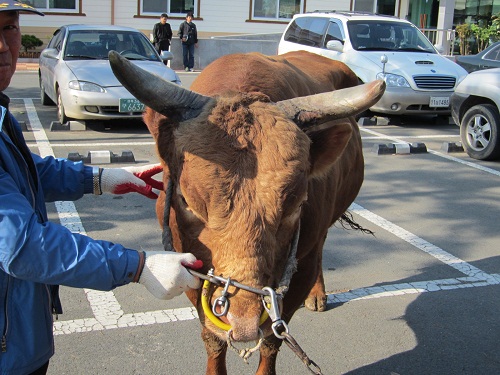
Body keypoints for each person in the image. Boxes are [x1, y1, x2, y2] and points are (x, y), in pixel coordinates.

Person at [0, 2, 201, 374]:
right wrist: (138, 267)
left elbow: (28, 172)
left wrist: (102, 179)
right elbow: (23, 246)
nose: (2, 45)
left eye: (9, 27)